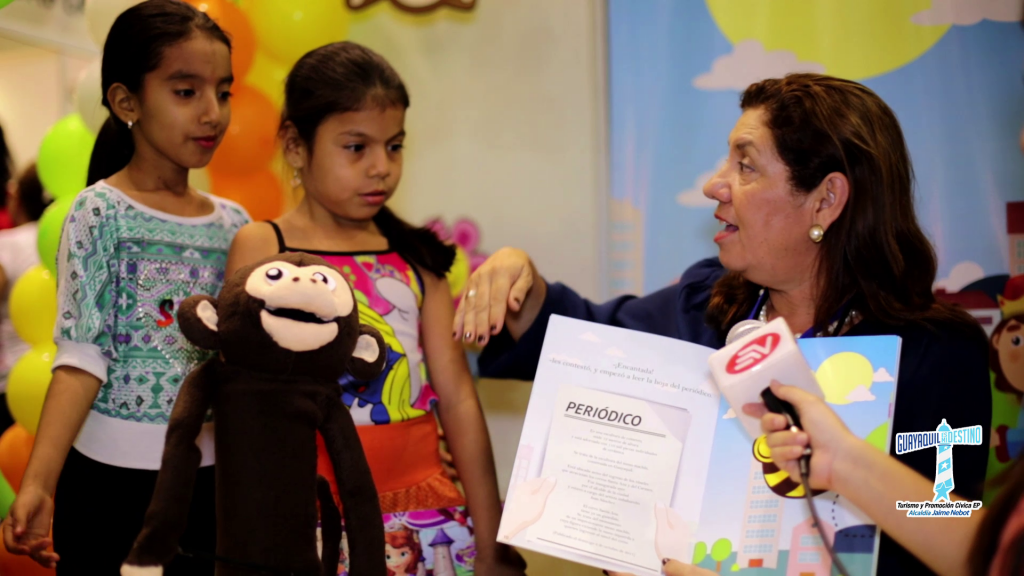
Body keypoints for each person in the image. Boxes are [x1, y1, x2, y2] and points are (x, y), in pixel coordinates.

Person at [461, 73, 991, 576]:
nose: (715, 185)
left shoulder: (934, 353)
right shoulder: (708, 304)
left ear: (826, 200)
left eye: (746, 166)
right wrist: (518, 280)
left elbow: (948, 525)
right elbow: (586, 340)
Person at [225, 41, 525, 575]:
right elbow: (245, 407)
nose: (381, 168)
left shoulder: (418, 257)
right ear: (296, 145)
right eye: (356, 147)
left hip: (424, 514)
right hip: (307, 516)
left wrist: (491, 539)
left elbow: (456, 398)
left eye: (395, 146)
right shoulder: (263, 249)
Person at [1, 1, 250, 574]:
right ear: (126, 101)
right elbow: (81, 357)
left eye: (224, 91)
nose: (212, 112)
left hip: (210, 482)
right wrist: (40, 483)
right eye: (186, 91)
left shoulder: (236, 223)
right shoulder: (100, 211)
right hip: (111, 485)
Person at [0, 163, 52, 431]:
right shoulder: (71, 240)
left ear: (17, 198)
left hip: (15, 384)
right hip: (65, 382)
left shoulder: (6, 245)